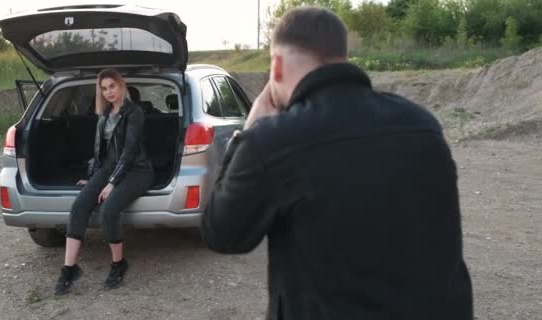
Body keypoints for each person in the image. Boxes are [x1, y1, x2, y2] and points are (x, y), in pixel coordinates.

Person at [201, 6, 473, 320]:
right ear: (341, 55)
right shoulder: (421, 123)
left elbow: (222, 233)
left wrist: (246, 134)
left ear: (276, 66)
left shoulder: (272, 141)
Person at [54, 68, 154, 295]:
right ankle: (69, 269)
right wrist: (93, 178)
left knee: (108, 211)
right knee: (80, 206)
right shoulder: (104, 115)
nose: (109, 92)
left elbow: (128, 153)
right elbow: (101, 153)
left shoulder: (134, 113)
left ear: (121, 86)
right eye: (104, 88)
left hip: (137, 171)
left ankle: (119, 264)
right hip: (109, 169)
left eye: (112, 86)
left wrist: (110, 184)